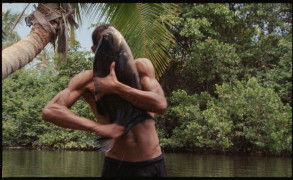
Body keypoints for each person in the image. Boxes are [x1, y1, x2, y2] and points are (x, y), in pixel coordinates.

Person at [42, 24, 168, 177]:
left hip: (152, 164)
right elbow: (50, 111)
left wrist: (117, 87)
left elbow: (160, 105)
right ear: (95, 50)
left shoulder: (141, 68)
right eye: (105, 44)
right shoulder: (88, 81)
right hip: (116, 166)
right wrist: (97, 128)